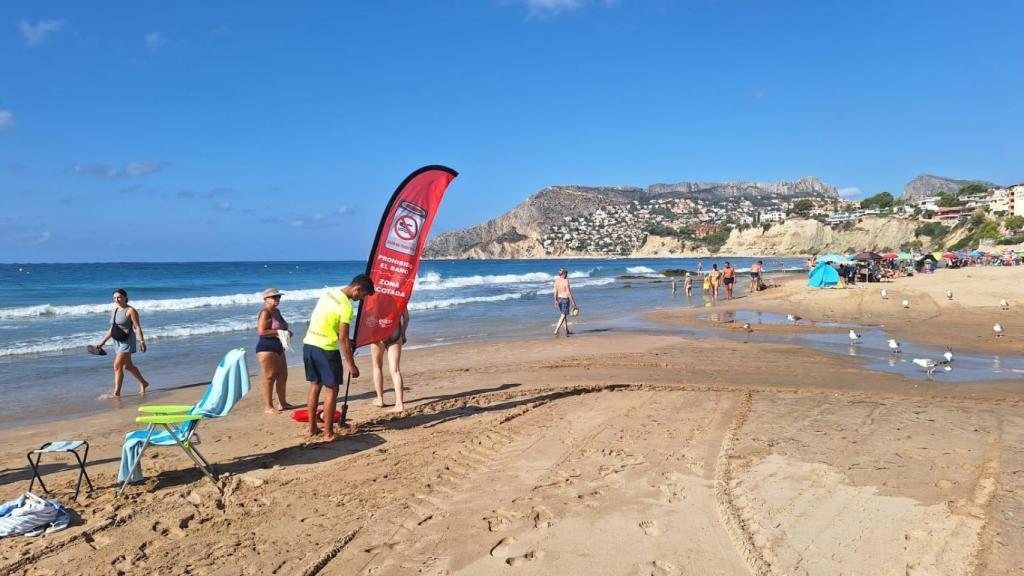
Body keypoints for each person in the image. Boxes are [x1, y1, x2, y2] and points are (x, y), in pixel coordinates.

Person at [302, 274, 375, 442]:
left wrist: (341, 337)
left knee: (315, 385)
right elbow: (343, 338)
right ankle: (328, 433)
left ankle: (312, 427)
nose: (361, 299)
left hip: (309, 345)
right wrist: (351, 364)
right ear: (357, 288)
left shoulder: (328, 294)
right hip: (327, 350)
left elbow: (322, 321)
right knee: (332, 389)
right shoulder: (346, 306)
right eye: (362, 295)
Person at [94, 289, 150, 397]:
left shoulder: (130, 310)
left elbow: (137, 327)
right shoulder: (114, 311)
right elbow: (112, 328)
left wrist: (142, 341)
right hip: (117, 341)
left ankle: (117, 393)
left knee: (117, 366)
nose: (117, 300)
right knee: (128, 366)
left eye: (119, 297)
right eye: (115, 298)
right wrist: (102, 342)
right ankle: (144, 383)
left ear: (125, 297)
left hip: (127, 341)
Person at [256, 288, 295, 414]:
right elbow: (262, 331)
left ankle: (282, 403)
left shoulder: (276, 311)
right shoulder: (265, 312)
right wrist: (281, 332)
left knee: (283, 375)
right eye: (274, 297)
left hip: (279, 347)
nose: (277, 299)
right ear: (265, 299)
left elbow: (282, 327)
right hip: (266, 348)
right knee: (269, 377)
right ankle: (268, 406)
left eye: (278, 297)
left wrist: (287, 333)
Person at [371, 308, 409, 412]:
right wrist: (403, 333)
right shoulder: (398, 296)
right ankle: (399, 404)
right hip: (395, 332)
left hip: (378, 333)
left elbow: (368, 318)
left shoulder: (375, 297)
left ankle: (380, 399)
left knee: (377, 366)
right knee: (395, 369)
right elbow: (406, 318)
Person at [553, 268, 577, 337]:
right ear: (563, 274)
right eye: (566, 273)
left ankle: (567, 330)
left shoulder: (556, 281)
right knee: (563, 315)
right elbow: (568, 292)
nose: (567, 274)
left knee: (564, 316)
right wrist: (573, 302)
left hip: (559, 299)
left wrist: (555, 300)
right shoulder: (566, 281)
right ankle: (556, 330)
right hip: (565, 300)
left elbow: (555, 291)